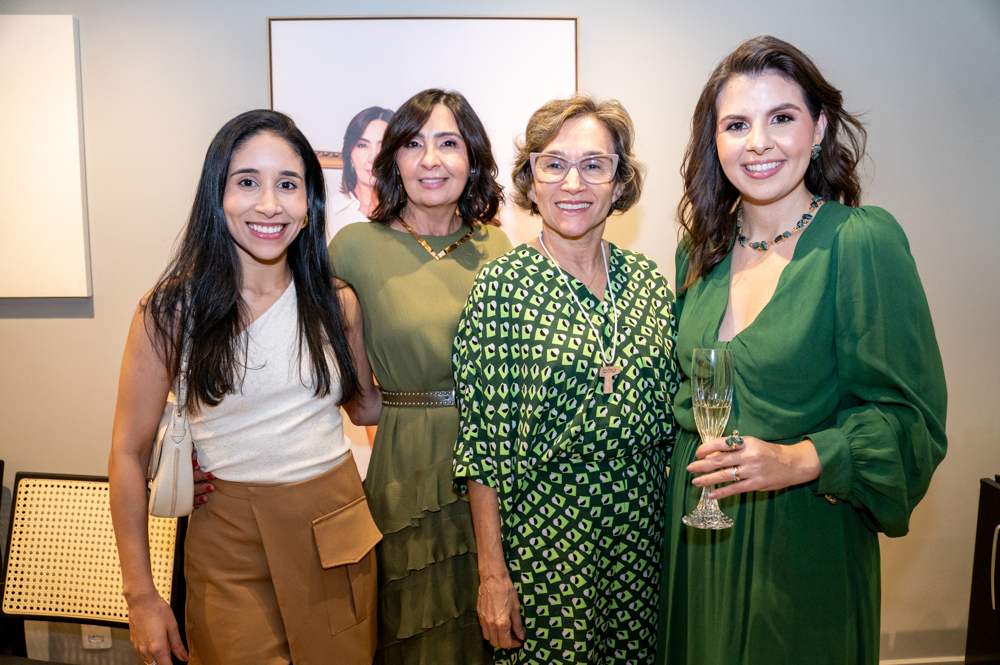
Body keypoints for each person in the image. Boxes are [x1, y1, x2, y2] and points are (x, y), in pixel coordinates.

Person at [656, 36, 947, 665]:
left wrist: (799, 459)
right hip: (698, 540)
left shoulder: (862, 243)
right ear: (715, 142)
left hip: (801, 541)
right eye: (736, 124)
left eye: (780, 118)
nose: (758, 142)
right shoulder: (698, 252)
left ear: (818, 128)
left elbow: (912, 425)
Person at [109, 109, 382, 665]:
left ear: (310, 206)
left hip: (337, 533)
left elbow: (369, 408)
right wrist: (141, 596)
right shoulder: (170, 312)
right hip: (228, 545)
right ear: (218, 195)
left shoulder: (337, 302)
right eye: (247, 182)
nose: (269, 204)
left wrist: (451, 392)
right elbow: (127, 453)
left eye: (288, 185)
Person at [453, 94, 680, 665]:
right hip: (547, 542)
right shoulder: (501, 287)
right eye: (553, 164)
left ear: (619, 181)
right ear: (532, 177)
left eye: (593, 165)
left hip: (643, 537)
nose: (572, 183)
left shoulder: (650, 283)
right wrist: (492, 576)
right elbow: (482, 449)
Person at [328, 89, 512, 665]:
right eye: (413, 143)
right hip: (404, 463)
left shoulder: (498, 245)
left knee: (493, 619)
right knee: (409, 632)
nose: (431, 159)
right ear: (394, 161)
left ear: (472, 158)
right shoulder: (353, 246)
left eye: (448, 143)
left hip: (496, 463)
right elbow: (353, 397)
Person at [327, 105, 395, 243]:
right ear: (350, 154)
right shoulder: (329, 212)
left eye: (383, 146)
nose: (373, 158)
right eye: (362, 145)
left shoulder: (411, 212)